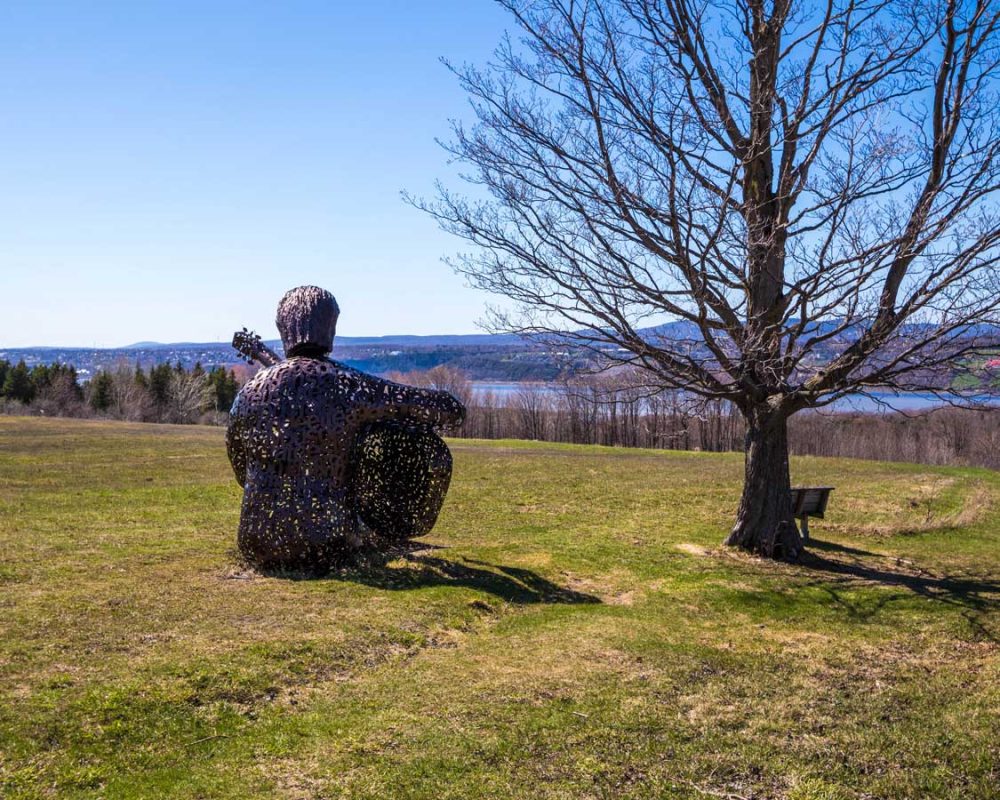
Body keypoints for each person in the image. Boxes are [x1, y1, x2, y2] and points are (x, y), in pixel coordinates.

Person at [226, 285, 465, 572]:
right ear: (330, 327)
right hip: (328, 542)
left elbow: (242, 472)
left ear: (282, 329)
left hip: (257, 541)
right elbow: (450, 411)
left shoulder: (249, 393)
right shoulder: (347, 384)